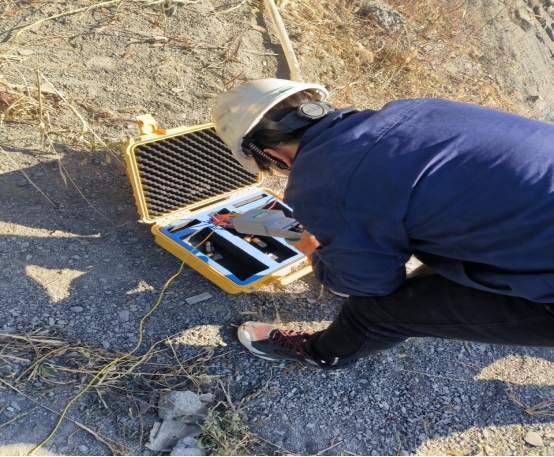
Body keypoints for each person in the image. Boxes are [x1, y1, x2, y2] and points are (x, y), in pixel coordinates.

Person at [213, 78, 554, 370]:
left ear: (273, 155)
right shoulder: (421, 108)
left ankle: (321, 354)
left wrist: (316, 253)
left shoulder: (325, 187)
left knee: (376, 312)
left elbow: (368, 285)